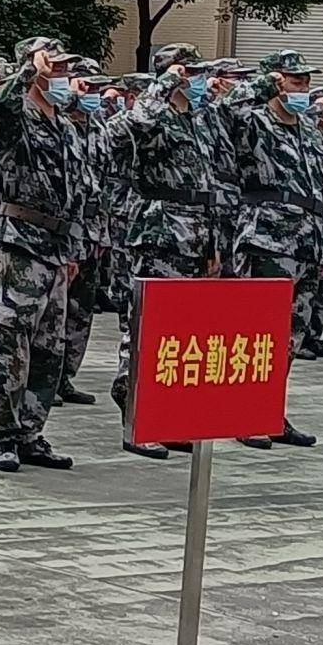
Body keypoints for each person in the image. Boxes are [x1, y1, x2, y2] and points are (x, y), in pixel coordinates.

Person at [106, 44, 229, 461]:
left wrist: (214, 244)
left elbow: (209, 181)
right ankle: (137, 419)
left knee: (183, 336)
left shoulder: (197, 118)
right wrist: (162, 83)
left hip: (197, 232)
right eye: (189, 73)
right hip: (160, 231)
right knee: (148, 328)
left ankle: (168, 418)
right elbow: (130, 125)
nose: (196, 80)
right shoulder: (153, 113)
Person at [0, 38, 87, 472]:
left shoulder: (66, 125)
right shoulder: (17, 116)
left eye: (64, 69)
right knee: (12, 341)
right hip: (20, 242)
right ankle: (4, 433)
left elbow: (77, 190)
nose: (62, 76)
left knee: (48, 347)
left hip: (57, 246)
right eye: (54, 68)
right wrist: (27, 69)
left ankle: (30, 430)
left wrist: (74, 246)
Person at [217, 50, 323, 450]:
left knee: (289, 338)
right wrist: (263, 85)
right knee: (257, 333)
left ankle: (271, 411)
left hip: (306, 239)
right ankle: (245, 413)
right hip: (267, 237)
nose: (303, 89)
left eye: (305, 82)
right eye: (294, 81)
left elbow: (322, 188)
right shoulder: (253, 120)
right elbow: (225, 110)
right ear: (276, 82)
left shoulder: (309, 129)